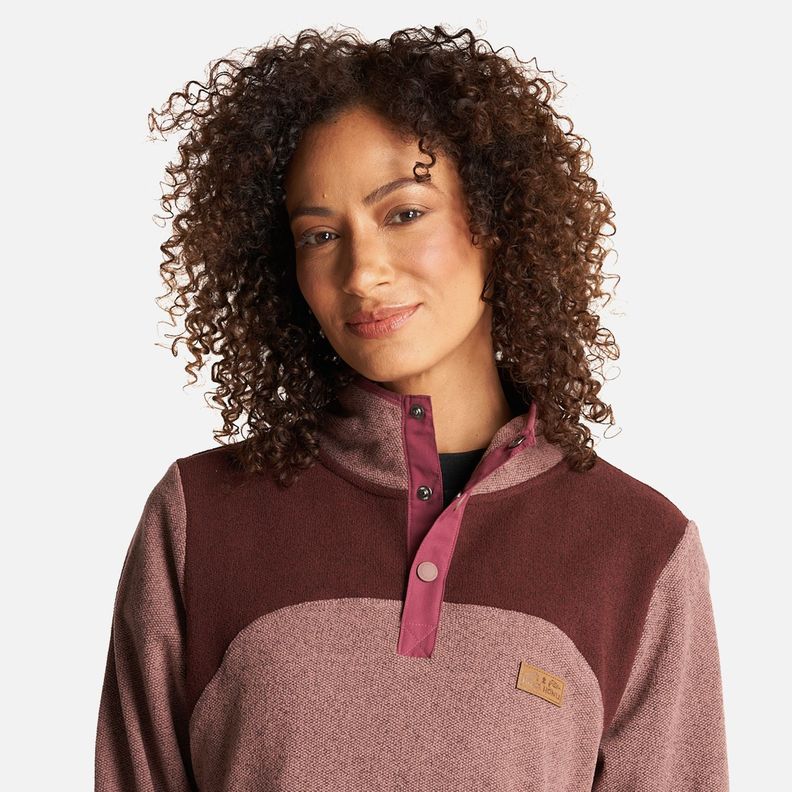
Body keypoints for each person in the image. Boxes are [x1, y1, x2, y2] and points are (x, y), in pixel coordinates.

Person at [94, 24, 730, 791]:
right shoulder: (201, 521)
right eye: (320, 234)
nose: (362, 272)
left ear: (494, 221)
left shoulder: (639, 548)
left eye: (403, 214)